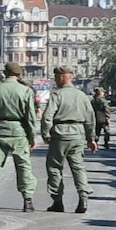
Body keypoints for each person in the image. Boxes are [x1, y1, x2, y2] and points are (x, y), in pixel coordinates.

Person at [0, 63, 39, 211]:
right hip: (19, 132)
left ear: (5, 73)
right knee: (23, 165)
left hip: (0, 130)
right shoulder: (25, 90)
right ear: (19, 75)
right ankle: (28, 200)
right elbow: (30, 116)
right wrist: (32, 136)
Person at [40, 68, 96, 213]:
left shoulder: (57, 95)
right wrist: (91, 139)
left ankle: (58, 201)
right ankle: (83, 197)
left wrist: (46, 133)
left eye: (57, 77)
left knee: (55, 168)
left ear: (63, 77)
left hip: (60, 134)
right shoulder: (82, 96)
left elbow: (48, 116)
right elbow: (90, 118)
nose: (55, 80)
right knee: (78, 167)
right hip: (77, 135)